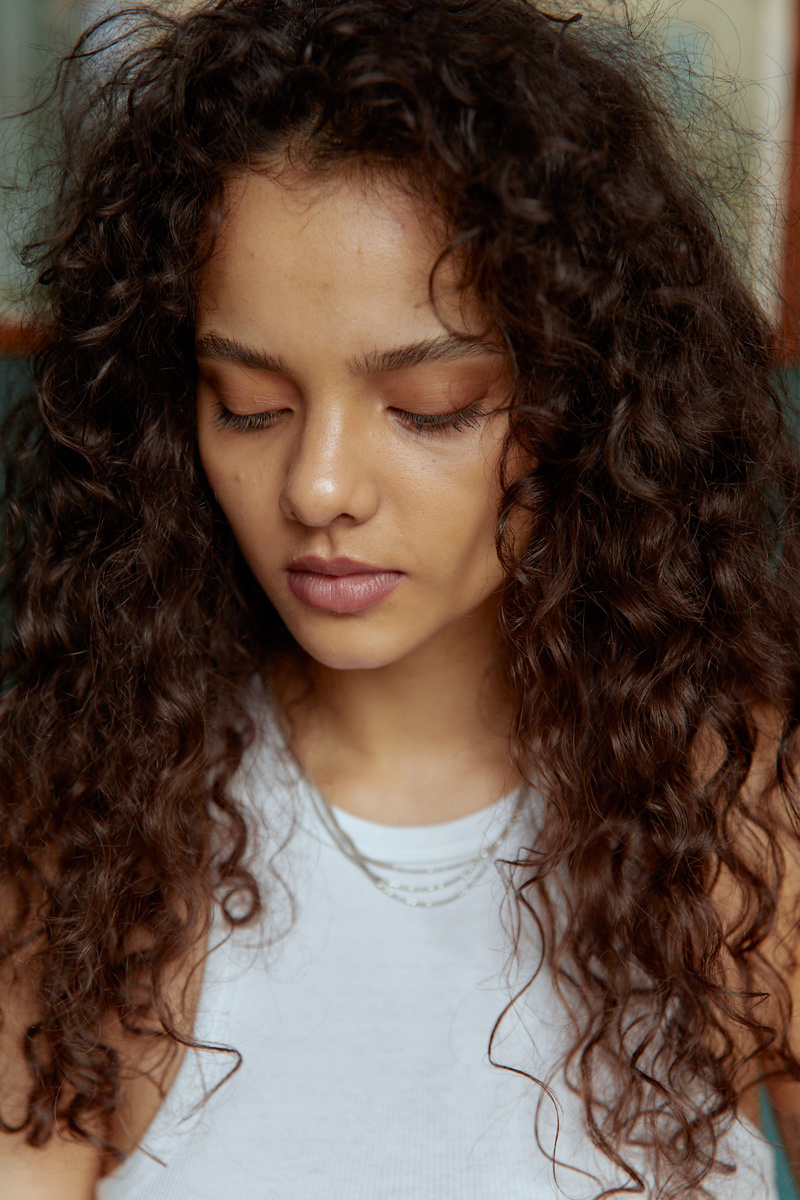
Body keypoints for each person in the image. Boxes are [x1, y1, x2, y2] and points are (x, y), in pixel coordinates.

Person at [1, 0, 799, 1196]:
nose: (316, 487)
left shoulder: (742, 812)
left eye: (431, 409)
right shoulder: (90, 821)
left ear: (583, 404)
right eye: (248, 407)